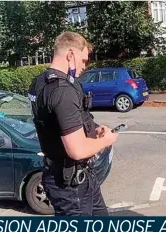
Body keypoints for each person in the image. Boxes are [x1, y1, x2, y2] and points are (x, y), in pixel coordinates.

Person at [28, 31, 119, 216]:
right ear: (70, 55)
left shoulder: (39, 83)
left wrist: (94, 130)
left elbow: (59, 125)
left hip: (73, 176)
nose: (85, 66)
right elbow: (76, 150)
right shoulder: (63, 91)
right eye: (83, 60)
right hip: (71, 185)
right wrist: (107, 140)